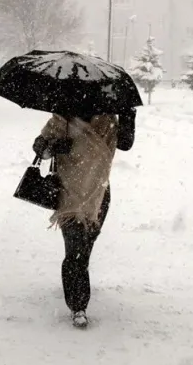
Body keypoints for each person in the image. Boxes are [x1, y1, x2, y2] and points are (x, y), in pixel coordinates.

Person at [33, 108, 136, 328]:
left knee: (86, 245)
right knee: (75, 249)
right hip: (69, 194)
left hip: (98, 194)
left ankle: (76, 281)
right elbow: (39, 147)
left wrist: (129, 114)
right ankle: (78, 306)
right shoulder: (63, 119)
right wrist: (53, 147)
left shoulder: (107, 119)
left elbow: (125, 143)